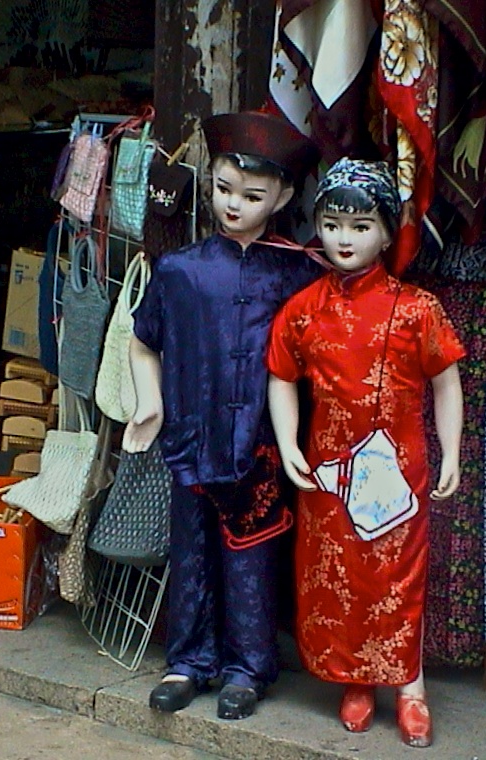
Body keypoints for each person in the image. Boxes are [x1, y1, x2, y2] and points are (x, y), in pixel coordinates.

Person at [124, 111, 323, 720]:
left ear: (283, 197)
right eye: (223, 188)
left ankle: (248, 667)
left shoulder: (302, 275)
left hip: (261, 445)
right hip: (189, 434)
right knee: (189, 551)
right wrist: (148, 401)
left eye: (253, 195)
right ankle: (187, 661)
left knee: (253, 558)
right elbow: (142, 341)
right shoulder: (178, 270)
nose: (235, 204)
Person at [265, 158, 465, 747]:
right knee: (337, 579)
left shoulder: (417, 309)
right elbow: (280, 375)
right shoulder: (302, 309)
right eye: (332, 224)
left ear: (386, 231)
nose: (343, 239)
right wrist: (288, 441)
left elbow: (446, 380)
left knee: (398, 580)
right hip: (328, 470)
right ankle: (355, 680)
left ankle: (410, 689)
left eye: (359, 226)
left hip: (399, 474)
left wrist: (450, 451)